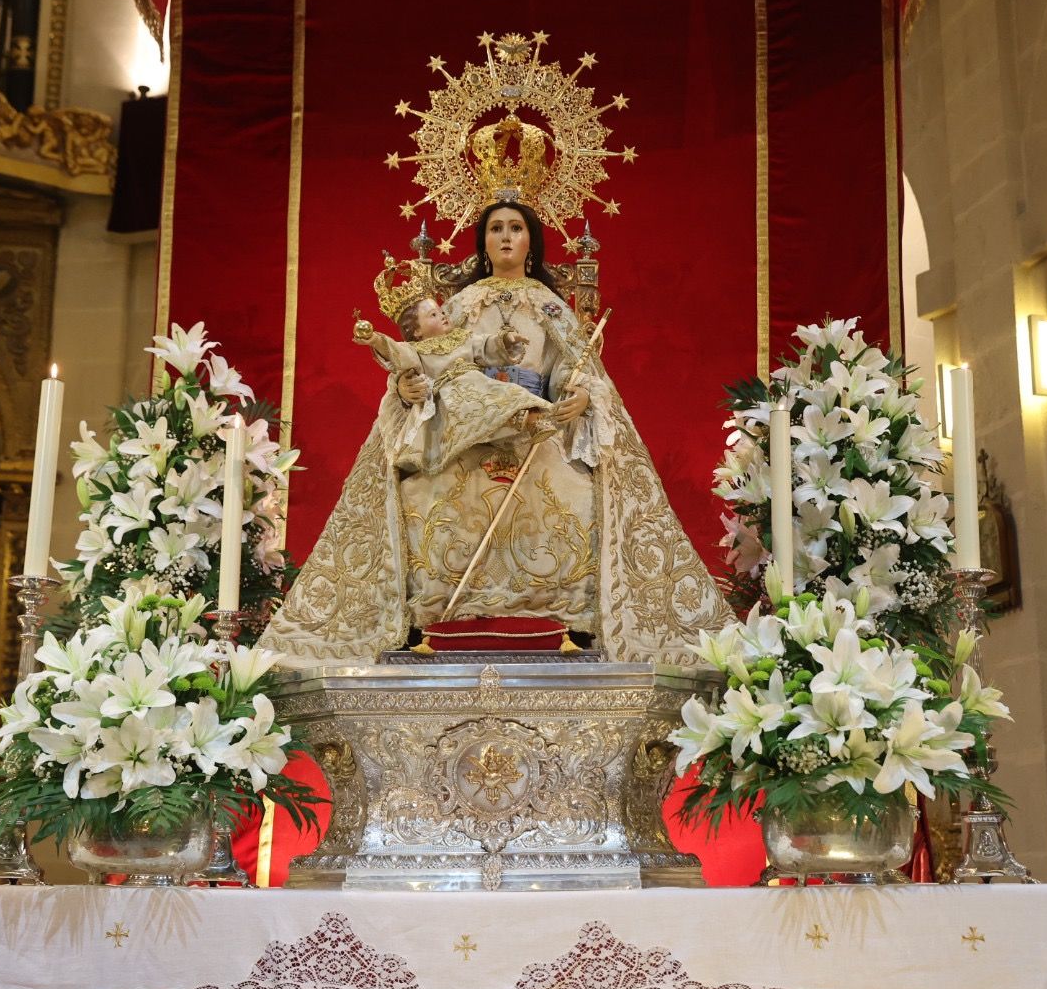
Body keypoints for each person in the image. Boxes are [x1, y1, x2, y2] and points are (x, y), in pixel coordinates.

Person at [260, 202, 729, 666]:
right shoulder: (460, 305)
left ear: (530, 241)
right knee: (423, 493)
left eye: (516, 228)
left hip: (538, 426)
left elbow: (574, 365)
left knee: (579, 492)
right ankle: (430, 621)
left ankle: (569, 623)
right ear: (483, 243)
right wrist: (405, 386)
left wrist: (581, 396)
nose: (506, 237)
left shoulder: (551, 306)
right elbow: (422, 356)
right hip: (464, 431)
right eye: (496, 229)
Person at [353, 277, 554, 473]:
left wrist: (506, 339)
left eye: (440, 311)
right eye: (433, 315)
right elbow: (395, 352)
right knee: (467, 409)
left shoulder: (461, 338)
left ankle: (534, 421)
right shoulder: (416, 351)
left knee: (507, 395)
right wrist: (376, 340)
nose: (442, 315)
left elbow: (485, 345)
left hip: (480, 384)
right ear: (416, 331)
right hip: (449, 396)